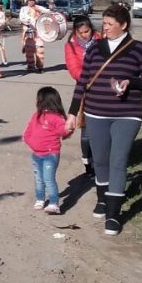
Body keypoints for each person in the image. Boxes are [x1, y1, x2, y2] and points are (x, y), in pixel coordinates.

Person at [65, 4, 142, 236]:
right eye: (103, 24)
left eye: (109, 24)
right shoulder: (95, 48)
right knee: (101, 159)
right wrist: (73, 112)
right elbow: (83, 82)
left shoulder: (138, 49)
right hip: (96, 113)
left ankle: (114, 215)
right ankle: (103, 200)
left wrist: (131, 82)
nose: (103, 28)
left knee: (118, 160)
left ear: (123, 25)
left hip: (127, 114)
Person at [23, 86, 74, 214]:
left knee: (48, 179)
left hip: (50, 154)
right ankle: (40, 199)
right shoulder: (36, 116)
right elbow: (29, 129)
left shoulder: (56, 117)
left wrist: (68, 128)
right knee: (38, 178)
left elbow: (62, 131)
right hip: (36, 154)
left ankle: (54, 203)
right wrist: (28, 139)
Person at [64, 15, 101, 177]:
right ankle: (88, 162)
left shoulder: (101, 39)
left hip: (104, 88)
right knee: (86, 130)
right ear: (76, 32)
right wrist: (90, 77)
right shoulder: (70, 47)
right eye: (81, 33)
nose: (85, 35)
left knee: (102, 129)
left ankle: (101, 161)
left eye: (88, 31)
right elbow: (74, 69)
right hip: (85, 89)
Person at [19, 0, 50, 73]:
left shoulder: (39, 8)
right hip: (28, 32)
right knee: (29, 51)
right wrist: (29, 20)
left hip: (38, 32)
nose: (31, 2)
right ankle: (31, 66)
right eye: (29, 0)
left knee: (40, 50)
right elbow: (22, 18)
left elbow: (48, 13)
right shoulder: (24, 9)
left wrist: (42, 11)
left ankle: (40, 66)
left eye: (32, 0)